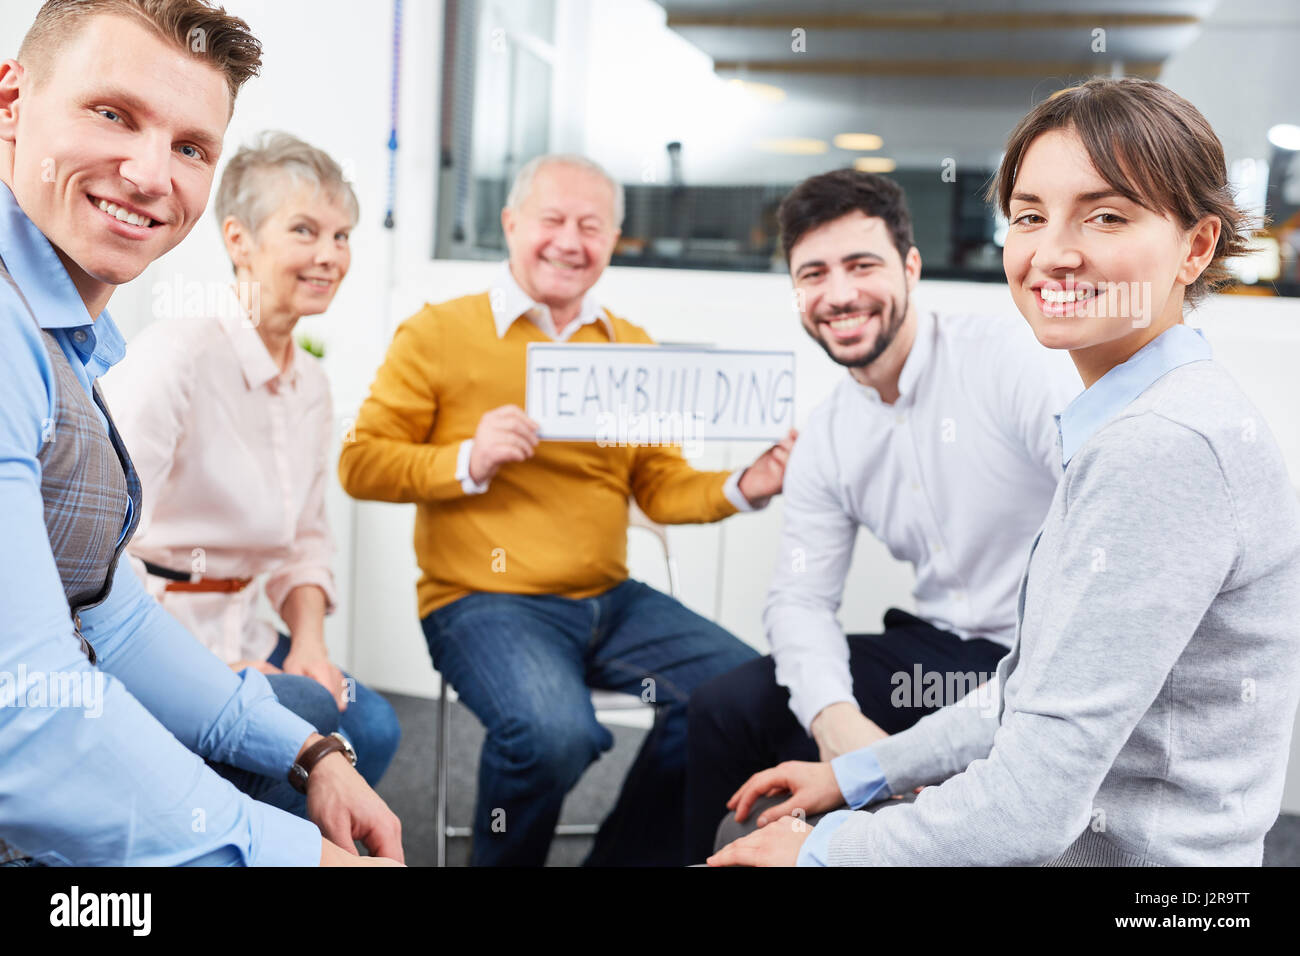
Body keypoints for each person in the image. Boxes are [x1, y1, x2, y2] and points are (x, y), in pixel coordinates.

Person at [709, 76, 1300, 867]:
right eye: (1029, 216)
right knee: (742, 766)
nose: (1053, 252)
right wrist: (854, 772)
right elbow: (1028, 693)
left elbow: (1028, 806)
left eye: (1106, 215)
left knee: (750, 848)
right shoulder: (1144, 415)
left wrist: (820, 851)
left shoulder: (1156, 444)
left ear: (1196, 247)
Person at [0, 0, 400, 866]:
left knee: (343, 725)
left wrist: (307, 753)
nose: (149, 174)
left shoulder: (68, 342)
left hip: (182, 654)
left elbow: (103, 604)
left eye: (189, 148)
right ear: (10, 102)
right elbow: (24, 712)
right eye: (112, 114)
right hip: (56, 732)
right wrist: (288, 852)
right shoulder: (94, 347)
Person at [339, 153, 794, 866]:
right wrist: (467, 458)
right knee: (555, 736)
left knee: (744, 700)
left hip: (609, 600)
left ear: (614, 241)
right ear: (511, 224)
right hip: (483, 600)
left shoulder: (629, 347)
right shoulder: (438, 332)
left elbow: (659, 486)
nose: (570, 241)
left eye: (592, 226)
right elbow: (361, 464)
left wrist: (746, 483)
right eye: (552, 220)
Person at [683, 169, 1081, 863]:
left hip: (1043, 654)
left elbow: (1098, 500)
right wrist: (835, 720)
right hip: (937, 651)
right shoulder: (830, 432)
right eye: (813, 274)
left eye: (861, 265)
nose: (839, 294)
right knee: (727, 707)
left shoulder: (1008, 360)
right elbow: (799, 600)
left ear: (911, 267)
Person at [103, 131, 402, 800]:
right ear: (238, 240)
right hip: (153, 638)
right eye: (305, 230)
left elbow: (305, 541)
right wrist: (207, 672)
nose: (330, 256)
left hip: (248, 630)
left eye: (342, 236)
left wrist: (310, 646)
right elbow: (95, 545)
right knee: (309, 714)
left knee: (375, 728)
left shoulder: (313, 385)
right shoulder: (174, 357)